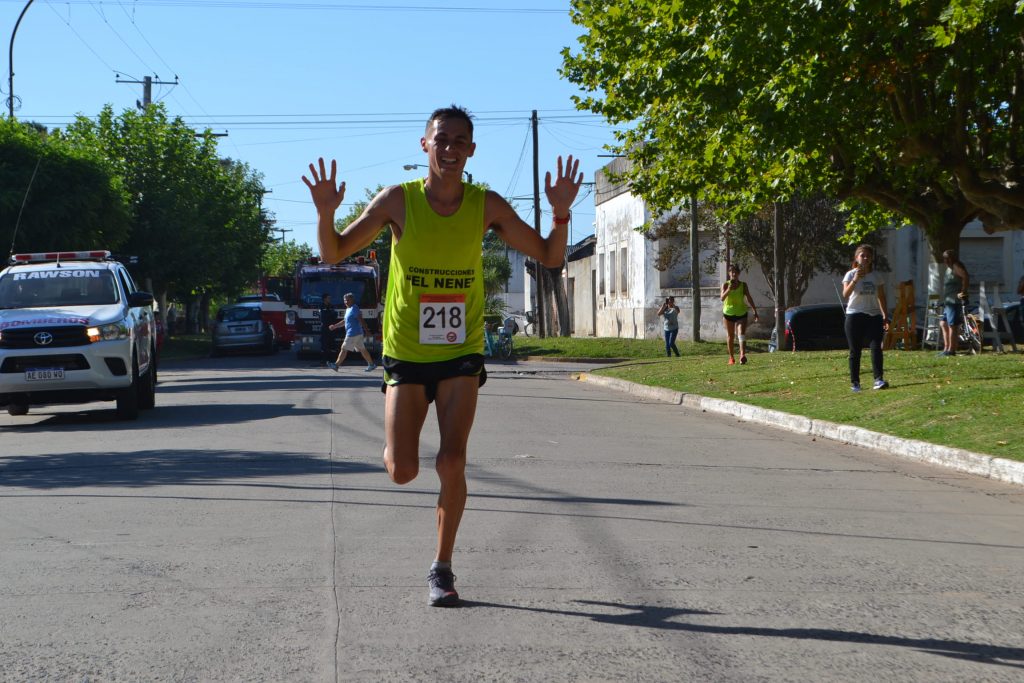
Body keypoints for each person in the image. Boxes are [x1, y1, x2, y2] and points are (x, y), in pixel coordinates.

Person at [303, 105, 582, 607]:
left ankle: (442, 567)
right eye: (441, 139)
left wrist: (561, 214)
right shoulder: (398, 201)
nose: (450, 149)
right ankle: (393, 430)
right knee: (403, 470)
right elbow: (334, 252)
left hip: (460, 352)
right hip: (407, 353)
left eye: (460, 141)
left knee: (452, 459)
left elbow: (550, 255)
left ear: (471, 150)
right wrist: (325, 213)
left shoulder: (486, 205)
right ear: (424, 145)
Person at [841, 244, 889, 391]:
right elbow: (846, 295)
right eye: (863, 255)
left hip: (874, 315)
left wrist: (885, 315)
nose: (866, 258)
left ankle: (878, 380)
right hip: (855, 315)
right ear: (857, 258)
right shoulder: (850, 274)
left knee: (876, 347)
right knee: (855, 350)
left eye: (868, 255)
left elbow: (881, 296)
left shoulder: (876, 276)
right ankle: (855, 383)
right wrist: (855, 279)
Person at [327, 292, 376, 371]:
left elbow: (361, 320)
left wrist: (367, 331)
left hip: (353, 333)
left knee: (344, 348)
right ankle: (371, 364)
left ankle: (336, 365)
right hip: (357, 334)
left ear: (352, 300)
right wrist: (335, 326)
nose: (346, 302)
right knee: (362, 349)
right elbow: (345, 321)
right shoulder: (348, 309)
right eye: (345, 300)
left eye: (348, 300)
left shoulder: (354, 308)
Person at [720, 264, 759, 365]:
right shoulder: (725, 285)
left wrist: (755, 310)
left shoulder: (743, 285)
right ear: (729, 273)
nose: (734, 274)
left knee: (741, 333)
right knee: (730, 336)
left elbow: (749, 298)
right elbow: (722, 298)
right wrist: (729, 289)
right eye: (731, 272)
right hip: (728, 313)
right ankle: (731, 357)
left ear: (738, 274)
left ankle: (742, 355)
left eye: (736, 272)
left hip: (741, 312)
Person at [938, 249, 970, 357]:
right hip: (948, 301)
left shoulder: (956, 266)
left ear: (951, 258)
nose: (945, 261)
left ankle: (951, 350)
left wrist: (963, 291)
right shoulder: (949, 268)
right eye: (944, 259)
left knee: (952, 325)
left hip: (954, 302)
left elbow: (965, 276)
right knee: (943, 323)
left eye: (947, 258)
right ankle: (946, 348)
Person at [318, 293, 339, 365]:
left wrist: (329, 314)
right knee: (324, 345)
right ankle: (324, 360)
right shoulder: (321, 306)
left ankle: (333, 360)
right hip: (324, 328)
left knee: (332, 344)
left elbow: (335, 315)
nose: (330, 299)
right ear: (324, 299)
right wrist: (330, 314)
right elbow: (323, 317)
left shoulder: (331, 306)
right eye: (328, 298)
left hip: (331, 328)